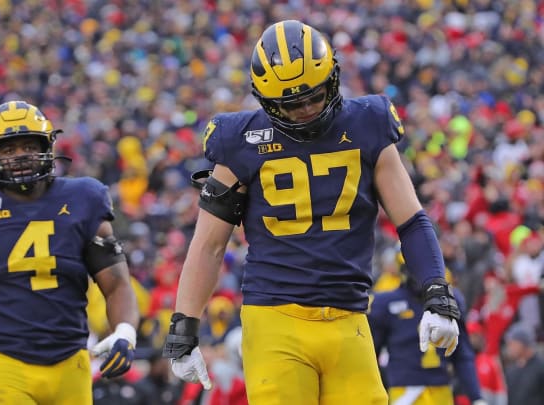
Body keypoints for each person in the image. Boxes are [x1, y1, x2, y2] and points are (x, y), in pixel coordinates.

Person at [162, 20, 461, 404]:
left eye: (314, 96)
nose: (305, 109)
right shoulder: (241, 141)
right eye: (290, 104)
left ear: (332, 79)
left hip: (349, 317)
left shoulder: (368, 124)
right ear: (266, 102)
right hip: (274, 318)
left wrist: (437, 292)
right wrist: (183, 326)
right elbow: (209, 244)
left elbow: (412, 220)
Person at [0, 101, 139, 405]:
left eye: (29, 145)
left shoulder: (84, 198)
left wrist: (124, 330)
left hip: (71, 360)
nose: (20, 156)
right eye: (8, 149)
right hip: (4, 363)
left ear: (47, 147)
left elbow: (117, 283)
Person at [368, 255, 485, 405]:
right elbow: (372, 353)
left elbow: (462, 353)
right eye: (414, 269)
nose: (420, 275)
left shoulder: (450, 299)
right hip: (403, 390)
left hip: (441, 388)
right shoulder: (386, 302)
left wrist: (476, 396)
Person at [503, 322, 544, 405]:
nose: (510, 347)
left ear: (523, 343)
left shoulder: (540, 368)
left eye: (513, 343)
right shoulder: (511, 371)